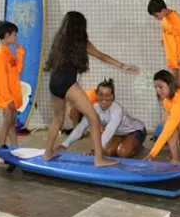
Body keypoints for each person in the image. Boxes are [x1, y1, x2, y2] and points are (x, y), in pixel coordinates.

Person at [43, 11, 140, 166]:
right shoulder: (81, 42)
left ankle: (47, 153)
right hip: (67, 83)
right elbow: (101, 56)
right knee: (94, 118)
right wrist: (122, 65)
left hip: (54, 82)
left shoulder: (59, 41)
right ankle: (99, 159)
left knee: (57, 118)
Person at [59, 78, 147, 158]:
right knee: (108, 152)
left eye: (107, 95)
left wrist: (95, 150)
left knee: (122, 152)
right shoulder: (94, 108)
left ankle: (139, 146)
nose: (104, 98)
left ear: (112, 96)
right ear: (96, 95)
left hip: (135, 131)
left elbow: (109, 130)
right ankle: (125, 141)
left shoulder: (116, 110)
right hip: (119, 134)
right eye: (101, 95)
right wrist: (64, 144)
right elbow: (81, 127)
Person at [0, 21, 25, 159]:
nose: (16, 36)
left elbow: (17, 69)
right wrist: (8, 99)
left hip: (12, 95)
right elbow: (0, 78)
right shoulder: (0, 53)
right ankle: (0, 153)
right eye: (14, 34)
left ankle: (15, 149)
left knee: (11, 124)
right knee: (6, 124)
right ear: (7, 35)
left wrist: (20, 53)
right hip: (6, 97)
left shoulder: (8, 51)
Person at [147, 0, 180, 89]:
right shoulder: (165, 19)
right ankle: (177, 102)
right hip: (172, 55)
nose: (156, 18)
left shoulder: (176, 19)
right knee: (173, 82)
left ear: (163, 10)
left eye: (156, 15)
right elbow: (169, 33)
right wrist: (164, 40)